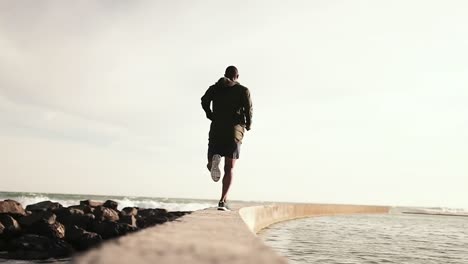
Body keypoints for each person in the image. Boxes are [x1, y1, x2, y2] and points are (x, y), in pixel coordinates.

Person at [201, 66, 253, 211]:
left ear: (225, 75)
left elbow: (204, 100)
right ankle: (222, 201)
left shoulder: (214, 88)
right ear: (237, 76)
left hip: (217, 127)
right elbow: (249, 109)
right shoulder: (243, 90)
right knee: (229, 168)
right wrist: (248, 124)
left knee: (211, 161)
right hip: (234, 131)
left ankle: (213, 162)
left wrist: (210, 114)